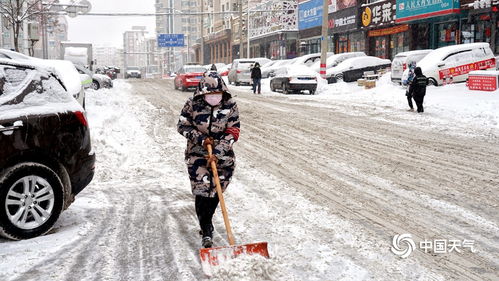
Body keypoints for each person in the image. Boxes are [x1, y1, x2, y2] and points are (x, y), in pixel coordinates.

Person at [177, 71, 240, 248]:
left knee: (216, 192)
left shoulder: (230, 105)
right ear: (202, 92)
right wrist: (202, 139)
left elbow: (233, 131)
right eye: (209, 94)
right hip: (197, 154)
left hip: (223, 156)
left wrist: (218, 150)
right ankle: (206, 230)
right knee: (202, 191)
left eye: (217, 93)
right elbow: (182, 126)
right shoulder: (192, 104)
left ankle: (207, 220)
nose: (214, 97)